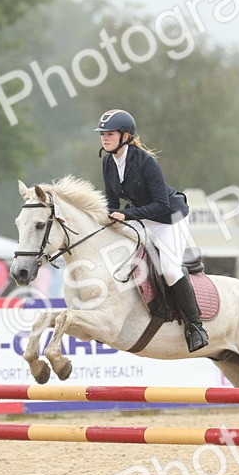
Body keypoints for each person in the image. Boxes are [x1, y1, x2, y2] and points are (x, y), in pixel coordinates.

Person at [95, 108, 208, 352]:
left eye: (110, 134)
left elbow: (161, 205)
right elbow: (111, 203)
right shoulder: (108, 163)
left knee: (169, 269)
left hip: (169, 219)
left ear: (125, 136)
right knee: (115, 253)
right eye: (103, 134)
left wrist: (126, 215)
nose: (105, 138)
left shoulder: (145, 162)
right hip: (142, 218)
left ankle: (196, 327)